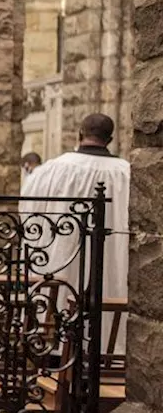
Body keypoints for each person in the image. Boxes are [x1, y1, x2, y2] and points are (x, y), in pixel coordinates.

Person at [21, 114, 130, 350]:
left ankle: (53, 349)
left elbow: (28, 215)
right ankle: (106, 348)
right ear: (110, 139)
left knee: (58, 305)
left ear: (79, 134)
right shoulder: (127, 174)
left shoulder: (49, 171)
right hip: (109, 266)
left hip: (59, 264)